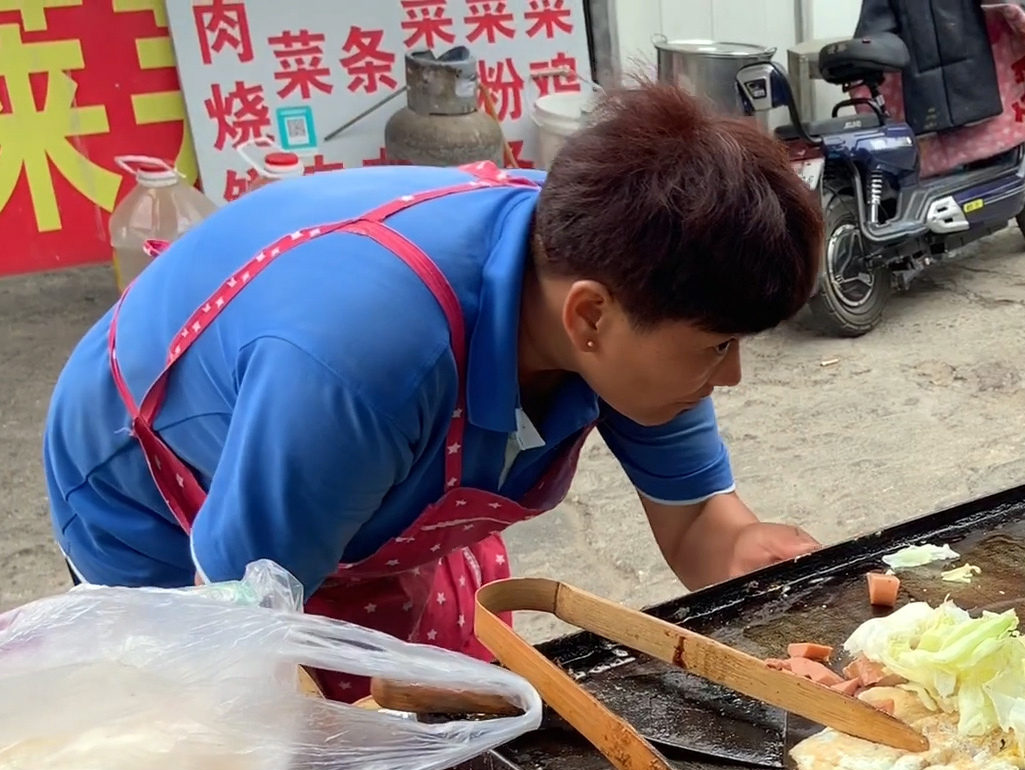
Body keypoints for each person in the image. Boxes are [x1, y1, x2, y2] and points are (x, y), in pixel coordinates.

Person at [44, 85, 825, 698]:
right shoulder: (361, 366)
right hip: (151, 479)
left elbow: (698, 525)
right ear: (589, 317)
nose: (730, 377)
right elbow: (247, 633)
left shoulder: (627, 281)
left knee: (446, 714)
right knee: (245, 766)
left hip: (343, 470)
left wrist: (761, 568)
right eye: (718, 347)